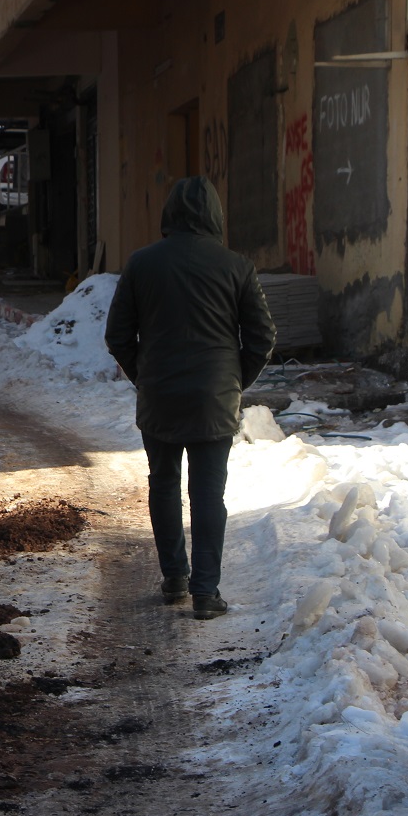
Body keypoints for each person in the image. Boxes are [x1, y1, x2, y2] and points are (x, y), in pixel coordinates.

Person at [104, 176, 276, 620]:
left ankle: (174, 578)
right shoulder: (237, 266)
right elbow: (262, 337)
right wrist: (235, 380)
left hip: (159, 393)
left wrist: (146, 375)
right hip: (213, 397)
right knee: (207, 493)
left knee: (162, 484)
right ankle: (205, 592)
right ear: (216, 216)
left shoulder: (142, 264)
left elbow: (117, 335)